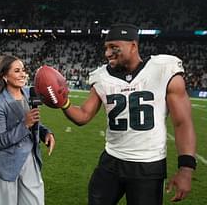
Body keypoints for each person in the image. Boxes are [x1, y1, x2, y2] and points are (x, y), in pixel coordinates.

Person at [59, 24, 196, 205]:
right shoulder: (101, 76)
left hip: (148, 164)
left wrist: (186, 169)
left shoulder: (162, 69)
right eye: (106, 48)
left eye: (114, 47)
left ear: (133, 46)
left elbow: (182, 123)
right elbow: (83, 115)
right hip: (111, 160)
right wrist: (63, 102)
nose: (107, 53)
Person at [0, 55, 56, 205]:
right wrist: (25, 125)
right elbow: (0, 141)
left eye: (23, 70)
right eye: (17, 71)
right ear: (4, 76)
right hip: (6, 165)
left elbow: (35, 121)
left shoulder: (29, 93)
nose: (23, 74)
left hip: (30, 159)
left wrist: (46, 133)